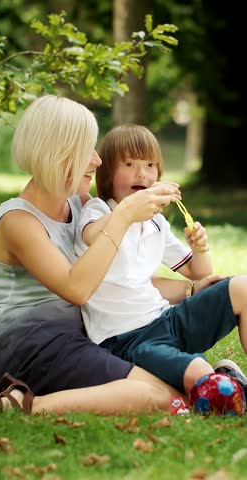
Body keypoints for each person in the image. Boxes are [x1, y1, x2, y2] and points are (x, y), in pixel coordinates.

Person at [0, 95, 196, 417]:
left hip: (81, 337)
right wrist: (124, 216)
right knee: (164, 399)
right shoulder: (18, 221)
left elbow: (114, 278)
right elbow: (77, 288)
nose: (96, 161)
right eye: (87, 151)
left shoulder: (81, 206)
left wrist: (193, 289)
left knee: (179, 389)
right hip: (31, 349)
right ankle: (23, 405)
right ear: (56, 153)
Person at [74, 124, 247, 396]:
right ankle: (220, 379)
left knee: (243, 287)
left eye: (150, 164)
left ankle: (223, 379)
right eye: (129, 163)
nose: (141, 173)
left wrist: (200, 248)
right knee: (199, 373)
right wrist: (131, 209)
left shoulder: (156, 222)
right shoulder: (97, 210)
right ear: (106, 173)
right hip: (126, 341)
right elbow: (92, 236)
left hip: (165, 320)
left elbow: (197, 272)